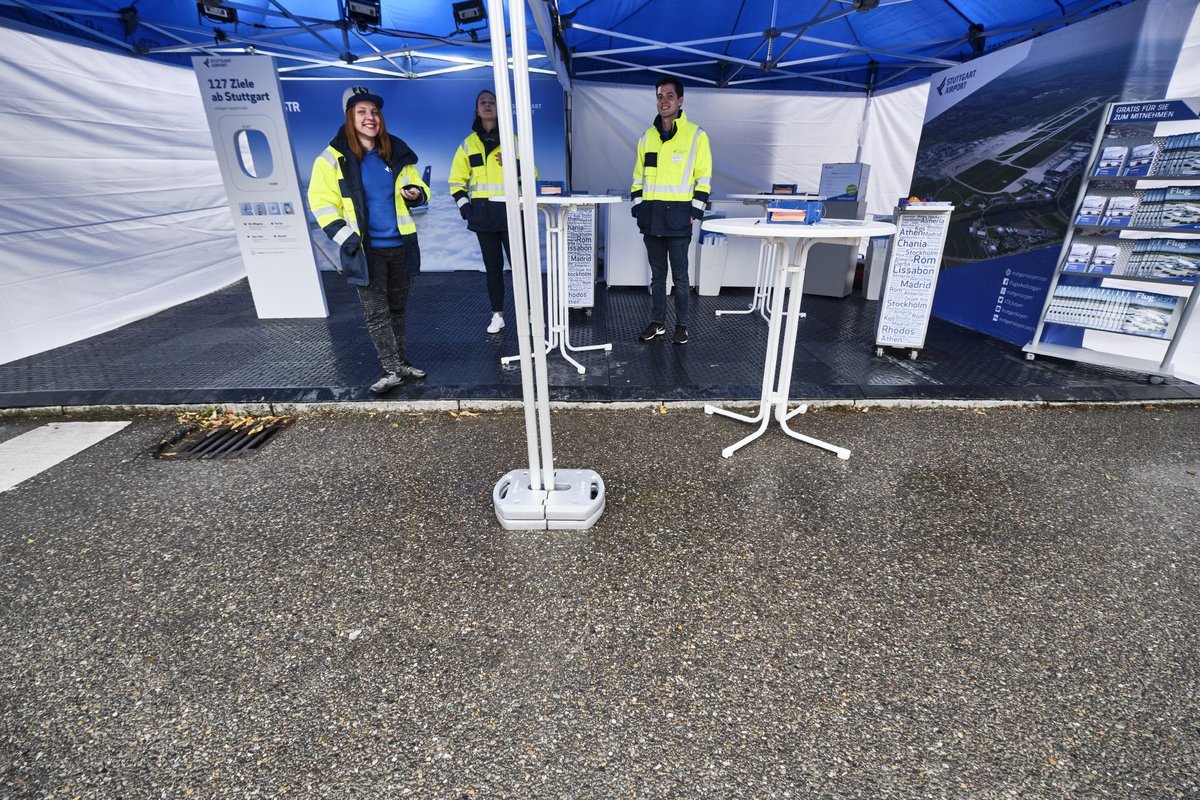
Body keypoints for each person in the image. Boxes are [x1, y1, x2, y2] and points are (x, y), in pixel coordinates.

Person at [308, 86, 431, 394]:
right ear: (350, 116)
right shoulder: (331, 159)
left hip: (400, 246)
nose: (370, 117)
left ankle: (401, 363)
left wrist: (416, 193)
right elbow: (321, 203)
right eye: (361, 111)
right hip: (365, 251)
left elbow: (417, 185)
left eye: (374, 112)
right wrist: (347, 239)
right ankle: (391, 370)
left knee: (397, 310)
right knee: (377, 315)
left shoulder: (397, 151)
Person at [630, 76, 712, 345]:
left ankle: (682, 325)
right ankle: (657, 323)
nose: (663, 101)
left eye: (669, 96)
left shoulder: (696, 136)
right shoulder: (646, 138)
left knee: (680, 276)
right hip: (651, 217)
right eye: (659, 96)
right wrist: (638, 208)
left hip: (679, 218)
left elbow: (704, 178)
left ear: (680, 100)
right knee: (657, 276)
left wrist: (694, 213)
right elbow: (637, 178)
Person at [449, 89, 524, 335]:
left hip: (511, 214)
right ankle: (498, 315)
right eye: (483, 102)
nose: (488, 105)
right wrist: (467, 211)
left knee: (521, 267)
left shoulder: (514, 141)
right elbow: (456, 182)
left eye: (492, 101)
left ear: (499, 108)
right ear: (477, 110)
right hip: (483, 217)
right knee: (493, 269)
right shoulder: (467, 145)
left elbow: (531, 176)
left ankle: (531, 314)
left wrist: (514, 166)